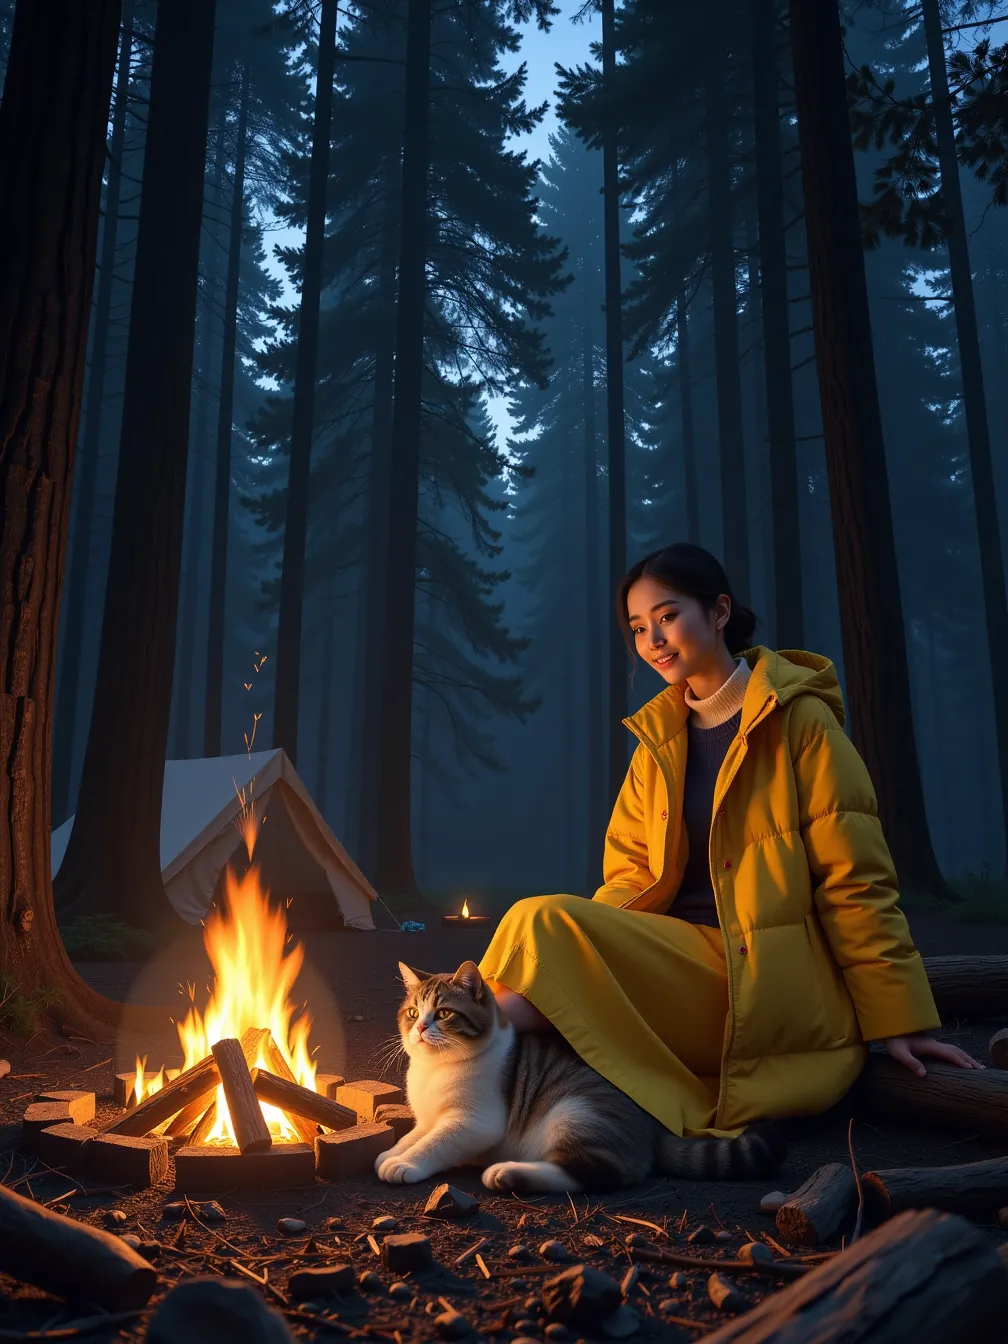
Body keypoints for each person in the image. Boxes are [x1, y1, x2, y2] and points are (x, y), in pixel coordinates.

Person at [478, 543, 981, 1141]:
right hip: (677, 961)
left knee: (540, 925)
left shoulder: (801, 724)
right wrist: (588, 955)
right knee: (533, 926)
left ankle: (460, 1050)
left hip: (763, 981)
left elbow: (855, 882)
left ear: (719, 612)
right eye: (639, 628)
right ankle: (477, 1048)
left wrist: (899, 1019)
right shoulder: (657, 743)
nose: (653, 641)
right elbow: (630, 876)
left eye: (667, 616)